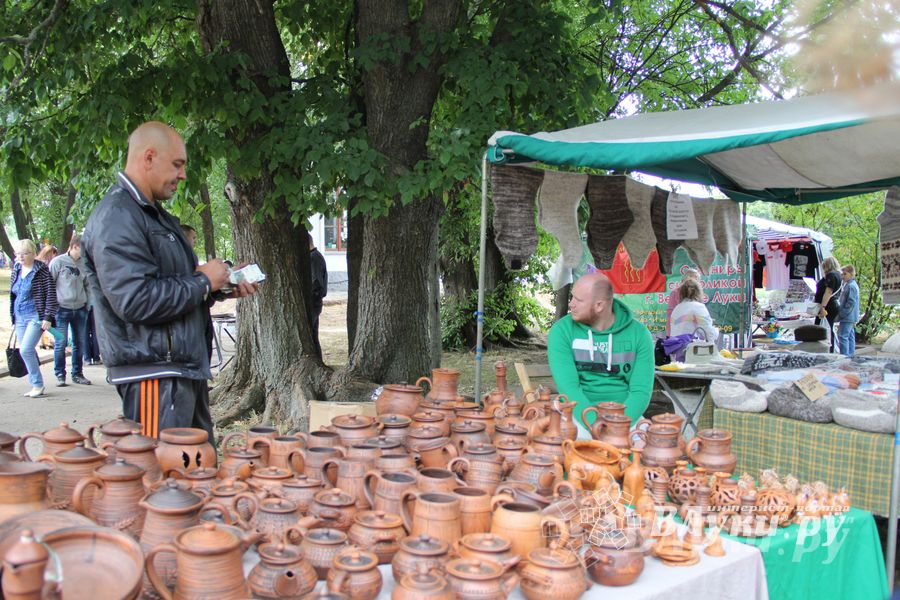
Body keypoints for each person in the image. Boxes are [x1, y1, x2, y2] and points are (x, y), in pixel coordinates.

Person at [82, 121, 258, 442]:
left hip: (180, 372)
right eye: (177, 164)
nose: (183, 175)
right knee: (163, 482)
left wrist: (221, 284)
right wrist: (203, 282)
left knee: (194, 477)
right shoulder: (118, 217)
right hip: (154, 376)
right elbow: (136, 301)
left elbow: (175, 288)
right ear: (148, 157)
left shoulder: (154, 215)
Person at [548, 272, 655, 430]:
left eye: (578, 300)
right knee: (568, 447)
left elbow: (640, 392)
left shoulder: (639, 334)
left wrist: (618, 426)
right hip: (577, 415)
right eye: (572, 297)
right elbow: (569, 388)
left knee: (650, 448)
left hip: (626, 418)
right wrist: (595, 425)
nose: (571, 304)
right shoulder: (561, 331)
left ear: (599, 305)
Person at [9, 239, 58, 397]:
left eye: (24, 254)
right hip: (20, 316)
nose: (20, 257)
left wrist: (48, 316)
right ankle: (34, 384)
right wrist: (13, 317)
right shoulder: (16, 268)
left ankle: (37, 384)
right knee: (26, 351)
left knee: (25, 350)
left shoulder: (41, 270)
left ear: (33, 254)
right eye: (18, 254)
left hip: (35, 316)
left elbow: (51, 294)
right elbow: (13, 293)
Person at [49, 234, 92, 386]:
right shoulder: (58, 262)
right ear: (75, 246)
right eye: (84, 249)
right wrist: (51, 308)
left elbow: (88, 285)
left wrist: (88, 304)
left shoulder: (84, 264)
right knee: (61, 342)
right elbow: (50, 285)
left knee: (79, 342)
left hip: (80, 308)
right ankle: (60, 373)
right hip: (61, 309)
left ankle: (77, 373)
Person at [669, 279, 719, 343]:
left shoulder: (676, 309)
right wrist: (716, 330)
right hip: (692, 350)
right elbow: (710, 334)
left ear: (681, 293)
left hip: (676, 350)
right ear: (699, 292)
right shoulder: (698, 307)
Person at [814, 256, 842, 352]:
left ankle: (827, 349)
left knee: (824, 329)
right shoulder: (838, 275)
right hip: (833, 304)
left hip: (828, 305)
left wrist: (822, 307)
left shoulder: (831, 276)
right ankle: (830, 349)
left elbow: (828, 292)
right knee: (829, 328)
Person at [308, 232, 328, 359]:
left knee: (311, 335)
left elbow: (317, 283)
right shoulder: (315, 256)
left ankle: (317, 361)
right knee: (313, 336)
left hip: (314, 302)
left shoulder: (314, 258)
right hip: (315, 302)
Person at [665, 268, 700, 336]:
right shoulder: (675, 293)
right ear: (685, 279)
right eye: (695, 278)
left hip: (692, 334)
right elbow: (670, 313)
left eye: (697, 279)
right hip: (676, 333)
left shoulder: (698, 295)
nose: (697, 281)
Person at [836, 264, 860, 357]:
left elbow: (850, 302)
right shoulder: (850, 285)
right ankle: (850, 356)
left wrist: (842, 313)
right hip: (850, 316)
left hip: (848, 316)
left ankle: (844, 356)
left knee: (843, 336)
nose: (842, 276)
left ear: (851, 274)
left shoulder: (851, 286)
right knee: (849, 336)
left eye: (844, 274)